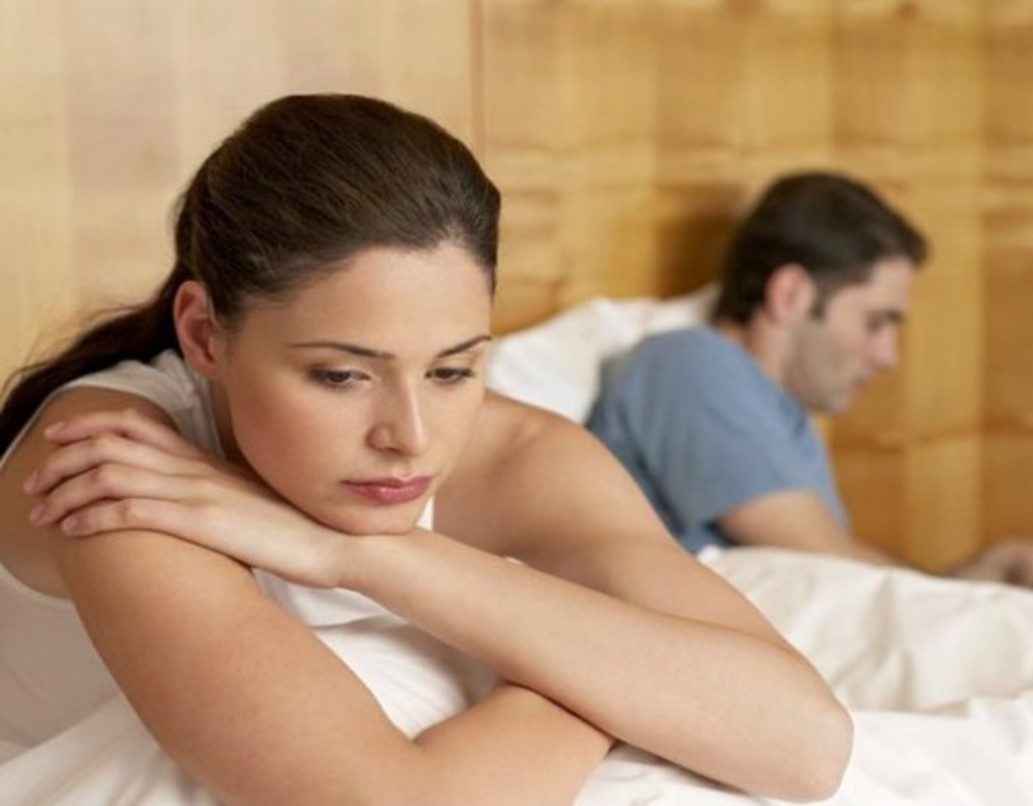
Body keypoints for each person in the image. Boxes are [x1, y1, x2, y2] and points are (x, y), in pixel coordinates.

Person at [0, 96, 853, 802]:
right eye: (341, 376)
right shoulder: (115, 464)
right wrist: (604, 685)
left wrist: (354, 555)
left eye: (452, 369)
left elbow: (804, 743)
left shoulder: (514, 453)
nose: (410, 436)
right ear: (203, 333)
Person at [587, 172, 1033, 613]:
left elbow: (845, 582)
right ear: (791, 295)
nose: (888, 357)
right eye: (875, 322)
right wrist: (983, 592)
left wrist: (996, 569)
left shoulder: (772, 410)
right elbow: (825, 564)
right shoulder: (689, 366)